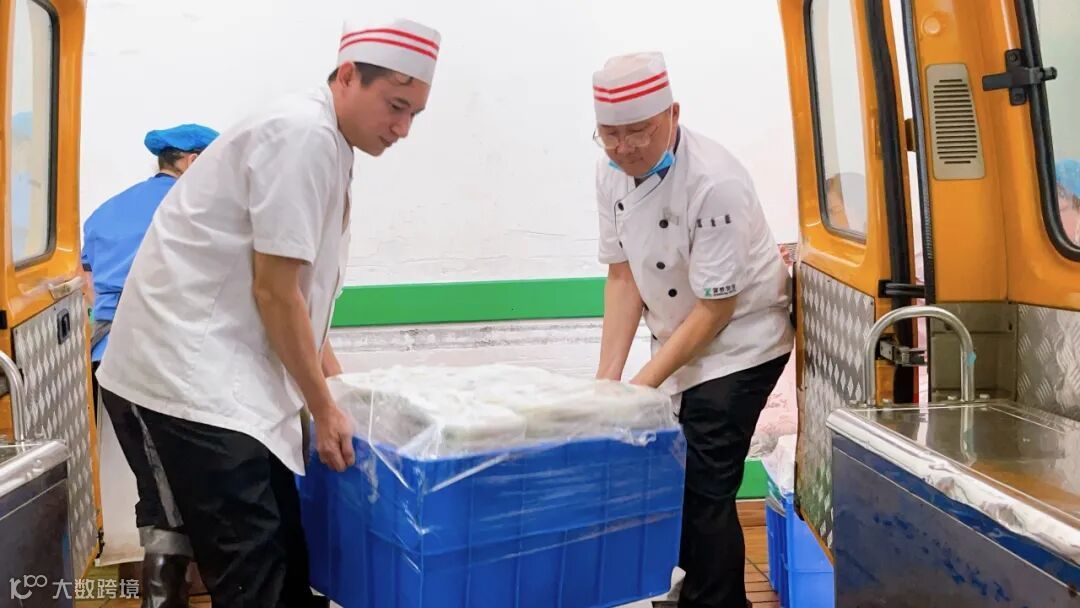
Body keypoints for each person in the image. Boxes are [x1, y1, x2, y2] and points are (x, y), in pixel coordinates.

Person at [95, 18, 441, 606]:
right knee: (254, 574)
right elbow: (275, 293)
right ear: (348, 76)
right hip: (193, 382)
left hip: (227, 384)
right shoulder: (301, 134)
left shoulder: (331, 141)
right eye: (396, 106)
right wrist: (324, 408)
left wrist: (340, 394)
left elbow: (305, 296)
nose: (403, 128)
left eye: (415, 115)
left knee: (285, 557)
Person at [590, 52, 794, 608]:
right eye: (610, 134)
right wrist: (606, 382)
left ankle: (716, 602)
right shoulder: (610, 174)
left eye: (638, 131)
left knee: (703, 484)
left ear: (673, 114)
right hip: (682, 339)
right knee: (673, 479)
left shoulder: (715, 181)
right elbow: (622, 276)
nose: (624, 148)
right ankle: (696, 591)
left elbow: (715, 310)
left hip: (742, 343)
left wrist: (641, 385)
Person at [81, 123, 218, 607]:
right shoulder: (194, 205)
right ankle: (162, 598)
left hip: (111, 364)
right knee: (171, 489)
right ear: (192, 161)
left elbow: (88, 287)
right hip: (164, 360)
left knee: (159, 481)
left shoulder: (106, 211)